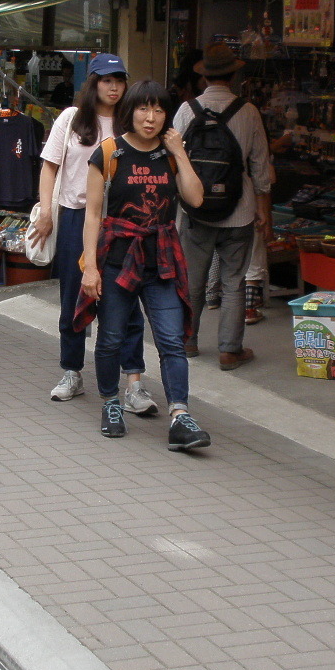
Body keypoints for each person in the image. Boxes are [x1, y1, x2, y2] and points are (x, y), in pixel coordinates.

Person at [77, 80, 211, 451]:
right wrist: (90, 267)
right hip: (118, 260)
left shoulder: (170, 154)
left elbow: (196, 199)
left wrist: (180, 153)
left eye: (158, 110)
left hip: (161, 261)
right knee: (111, 338)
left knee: (172, 341)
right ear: (130, 111)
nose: (150, 118)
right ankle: (110, 403)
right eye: (143, 109)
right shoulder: (109, 152)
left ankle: (180, 416)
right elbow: (92, 214)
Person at [35, 53, 157, 414]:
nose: (114, 86)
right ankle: (72, 370)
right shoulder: (71, 120)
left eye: (119, 79)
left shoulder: (133, 122)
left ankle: (133, 379)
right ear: (92, 83)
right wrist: (46, 211)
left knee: (126, 300)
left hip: (122, 224)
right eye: (106, 80)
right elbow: (49, 167)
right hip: (75, 217)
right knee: (75, 295)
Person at [173, 43, 273, 369]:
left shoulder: (187, 110)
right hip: (239, 211)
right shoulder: (248, 112)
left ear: (204, 77)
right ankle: (230, 350)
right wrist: (264, 212)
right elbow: (260, 169)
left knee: (192, 280)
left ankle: (187, 341)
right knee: (233, 283)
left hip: (195, 210)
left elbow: (174, 163)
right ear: (233, 75)